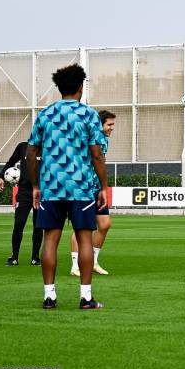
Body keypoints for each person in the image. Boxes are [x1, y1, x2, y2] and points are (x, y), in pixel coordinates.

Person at [26, 64, 108, 310]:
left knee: (50, 240)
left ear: (59, 87)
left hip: (51, 187)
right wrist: (103, 186)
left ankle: (49, 297)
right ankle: (85, 297)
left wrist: (36, 185)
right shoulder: (88, 115)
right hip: (80, 187)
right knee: (84, 239)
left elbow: (31, 152)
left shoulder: (46, 114)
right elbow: (96, 154)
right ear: (81, 87)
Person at [70, 110, 116, 276]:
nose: (112, 128)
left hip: (97, 189)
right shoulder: (90, 137)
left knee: (104, 225)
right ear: (100, 124)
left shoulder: (104, 140)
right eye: (109, 125)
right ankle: (75, 266)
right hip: (84, 188)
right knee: (81, 228)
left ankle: (93, 262)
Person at [0, 141, 43, 266]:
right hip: (24, 193)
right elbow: (11, 162)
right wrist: (1, 176)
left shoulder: (48, 147)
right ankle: (14, 257)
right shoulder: (23, 146)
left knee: (38, 225)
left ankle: (35, 258)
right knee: (19, 223)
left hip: (41, 193)